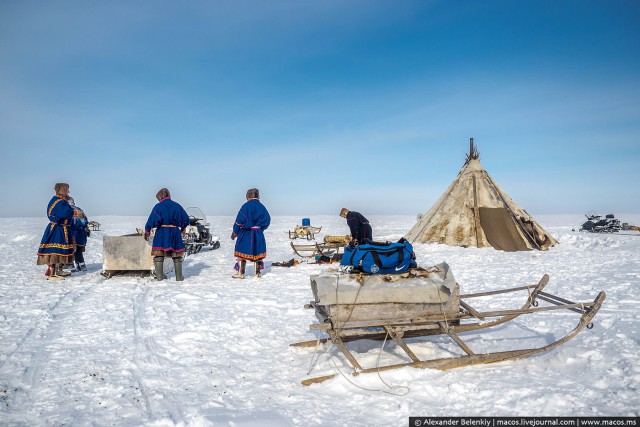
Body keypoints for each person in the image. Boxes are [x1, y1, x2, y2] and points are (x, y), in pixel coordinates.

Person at [144, 188, 189, 281]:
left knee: (159, 255)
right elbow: (185, 219)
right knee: (177, 255)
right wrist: (183, 228)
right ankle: (179, 277)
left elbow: (151, 221)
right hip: (175, 232)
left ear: (161, 196)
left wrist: (147, 231)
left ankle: (160, 278)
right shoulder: (177, 206)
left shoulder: (158, 206)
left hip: (162, 232)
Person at [37, 183, 80, 280]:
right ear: (63, 190)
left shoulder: (58, 200)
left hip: (62, 228)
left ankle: (59, 270)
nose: (68, 192)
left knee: (60, 250)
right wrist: (75, 212)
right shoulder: (59, 201)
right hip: (58, 229)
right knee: (55, 251)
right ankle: (52, 274)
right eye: (67, 190)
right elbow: (64, 213)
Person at [231, 188, 271, 279]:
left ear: (248, 196)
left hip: (246, 233)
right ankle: (257, 273)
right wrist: (260, 229)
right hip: (258, 233)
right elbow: (267, 220)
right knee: (258, 252)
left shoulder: (246, 206)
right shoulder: (262, 207)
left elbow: (239, 221)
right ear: (258, 196)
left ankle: (240, 273)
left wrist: (235, 232)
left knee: (241, 252)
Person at [68, 197, 89, 272]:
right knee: (78, 251)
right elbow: (84, 222)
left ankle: (73, 266)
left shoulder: (67, 210)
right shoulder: (79, 210)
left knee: (71, 251)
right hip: (80, 233)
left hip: (71, 233)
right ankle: (81, 265)